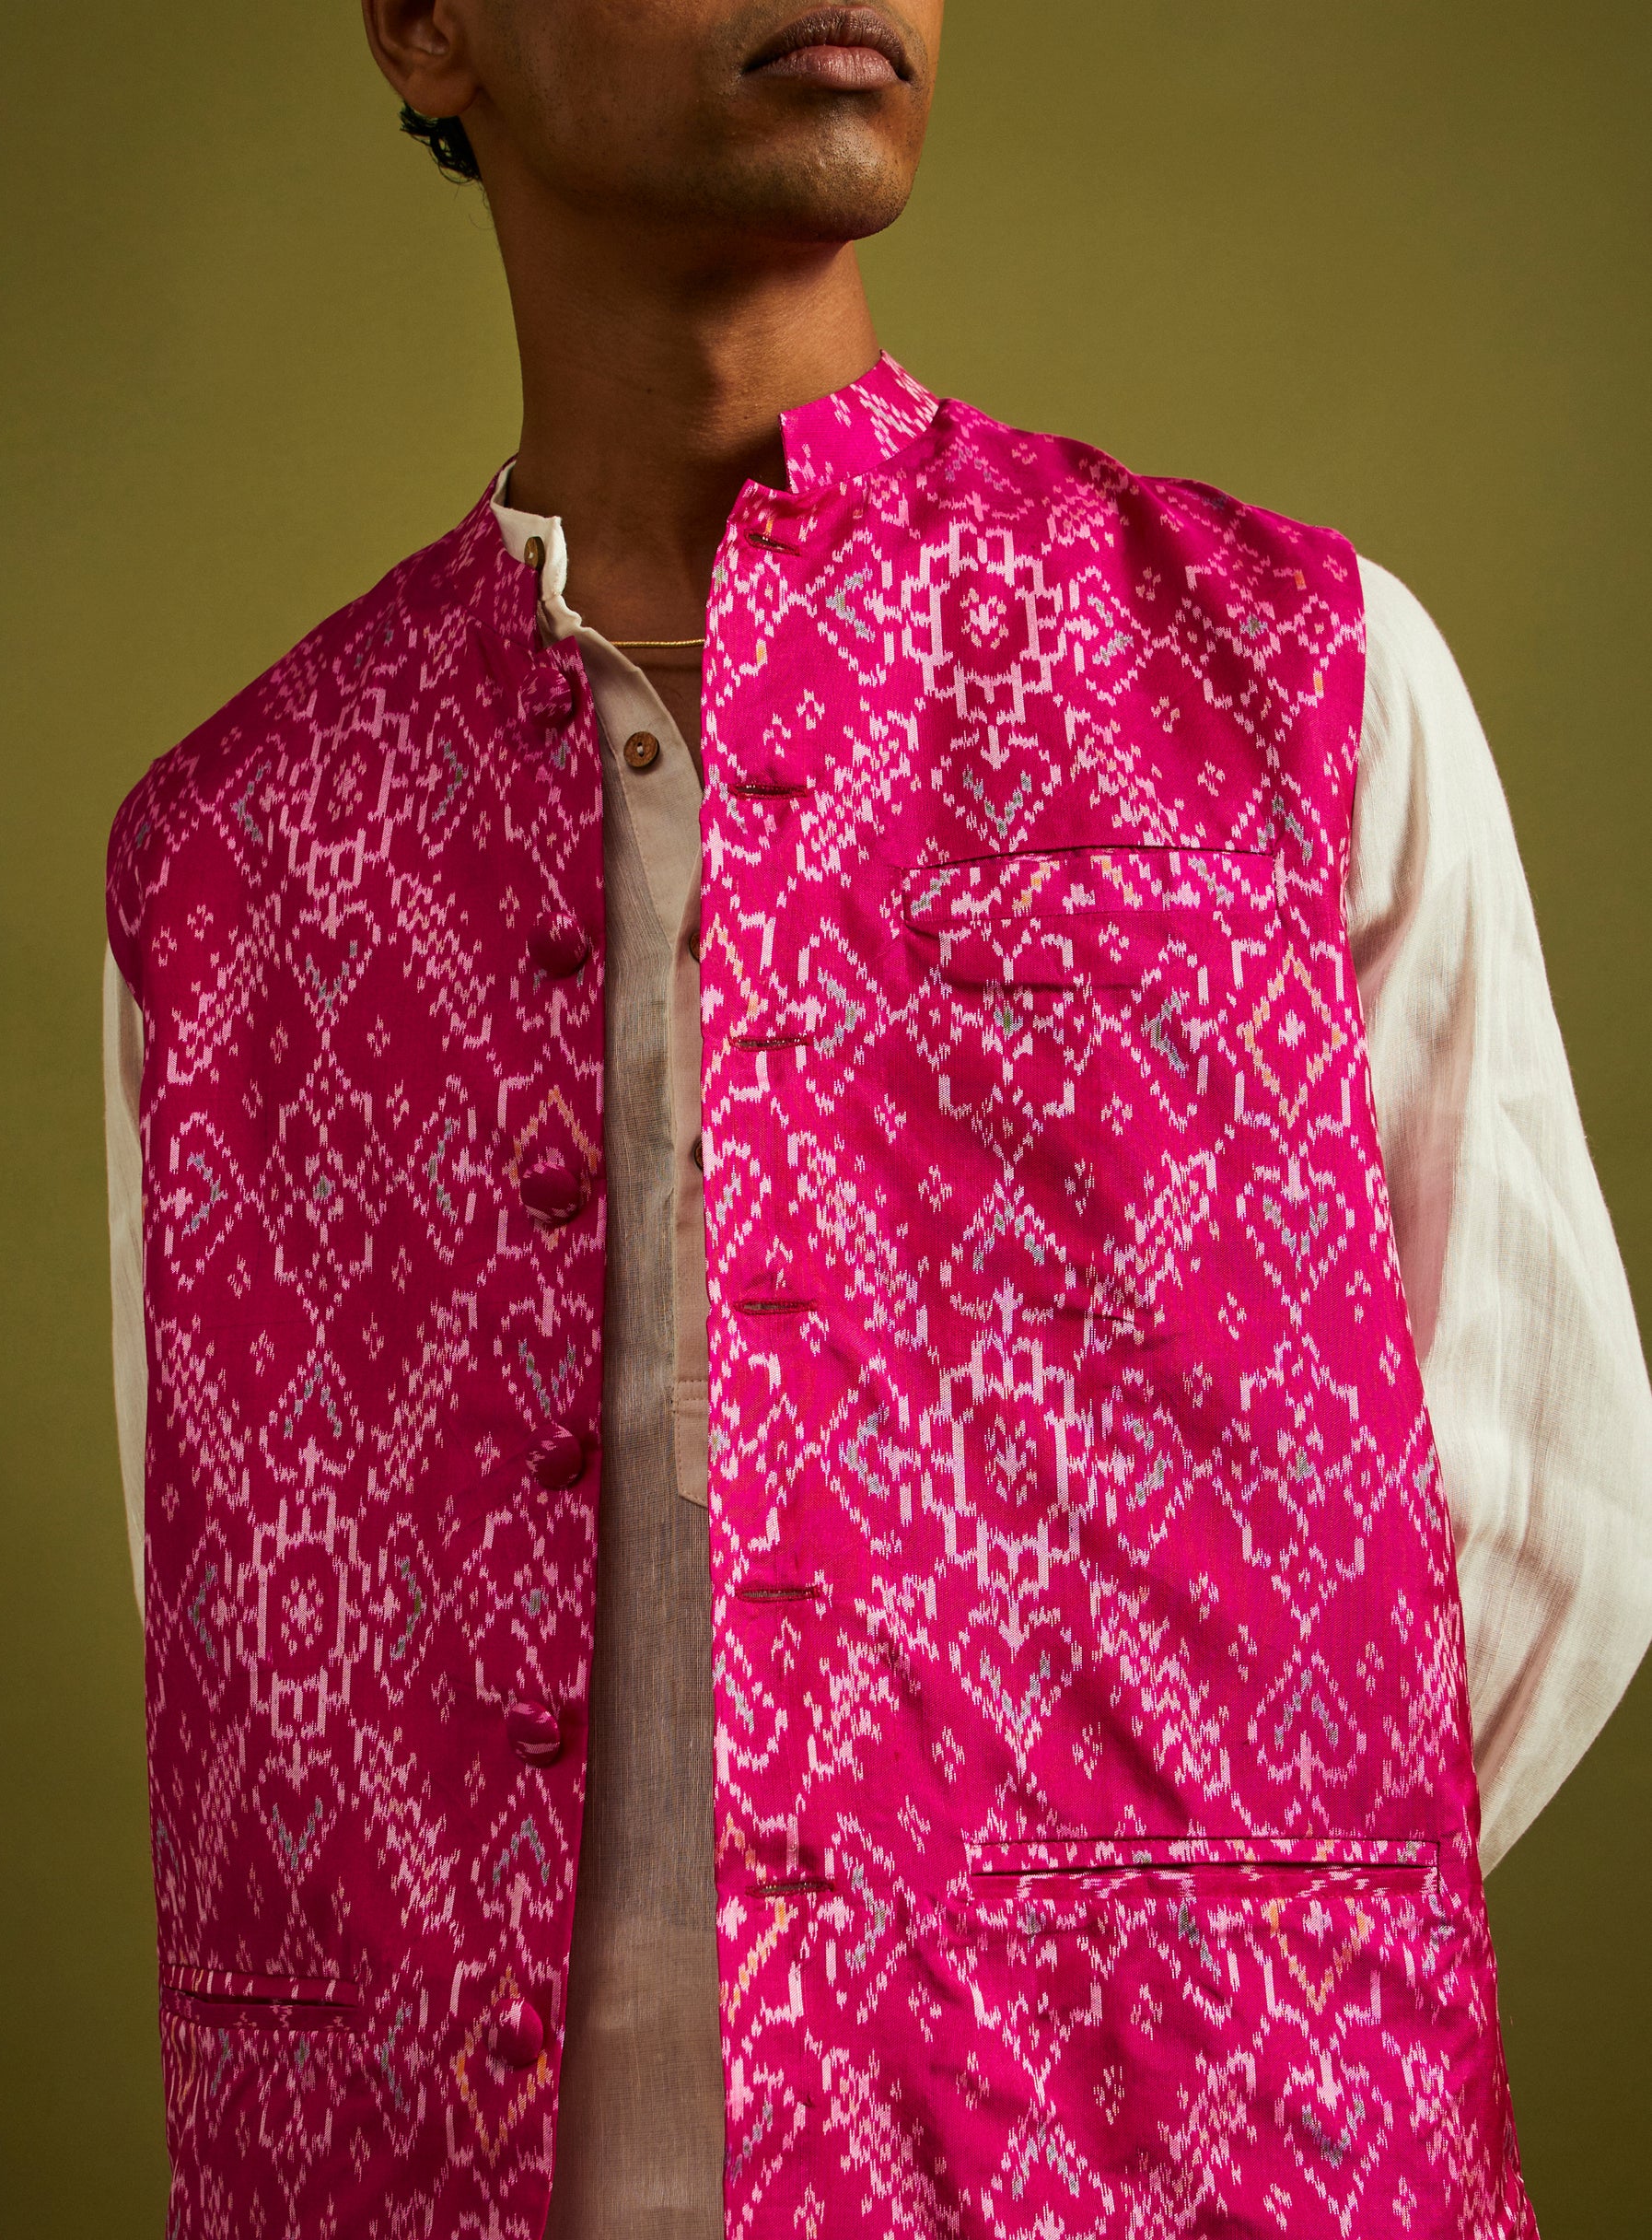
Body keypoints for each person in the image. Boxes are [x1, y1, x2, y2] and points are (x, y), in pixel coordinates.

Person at [101, 4, 1652, 2234]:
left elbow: (1542, 1517)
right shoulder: (233, 861)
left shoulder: (1291, 676)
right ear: (429, 26)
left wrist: (1135, 1980)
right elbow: (235, 1670)